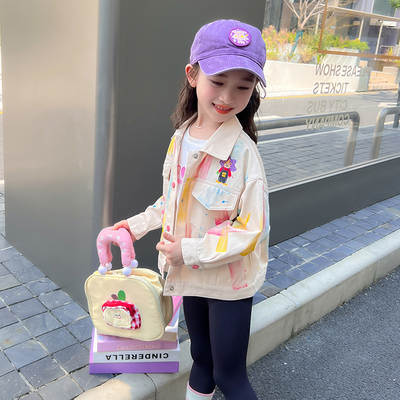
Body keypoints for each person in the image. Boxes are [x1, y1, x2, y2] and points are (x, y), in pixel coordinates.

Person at [113, 19, 270, 400]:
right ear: (193, 74)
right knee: (200, 359)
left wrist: (189, 250)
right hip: (189, 275)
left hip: (228, 283)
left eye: (243, 86)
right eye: (218, 81)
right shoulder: (181, 137)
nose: (228, 96)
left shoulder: (245, 155)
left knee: (230, 376)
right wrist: (135, 225)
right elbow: (170, 199)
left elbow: (252, 230)